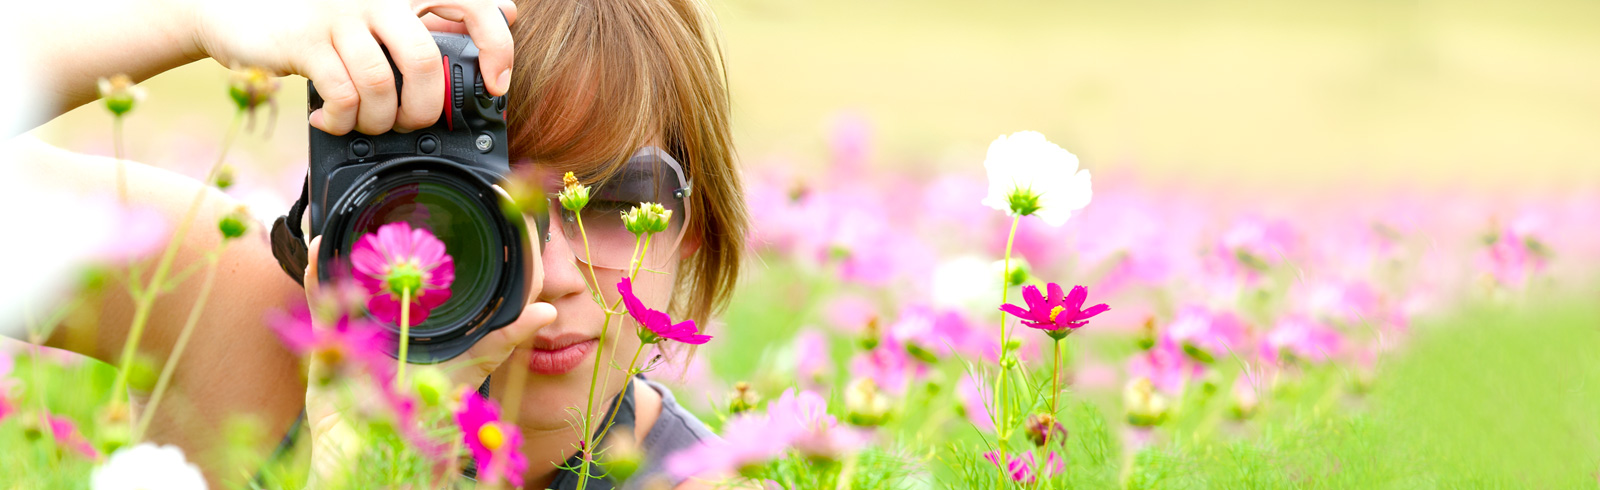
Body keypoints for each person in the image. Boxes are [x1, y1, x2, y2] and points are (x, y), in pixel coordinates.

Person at [6, 0, 749, 488]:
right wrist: (196, 16)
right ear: (365, 203)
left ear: (697, 224)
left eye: (614, 199)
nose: (549, 274)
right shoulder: (233, 312)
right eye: (472, 206)